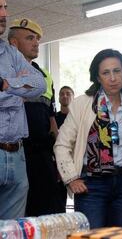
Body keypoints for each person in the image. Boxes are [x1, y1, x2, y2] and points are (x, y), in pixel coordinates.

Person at [54, 49, 122, 228]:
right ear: (97, 77)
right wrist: (71, 178)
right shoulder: (82, 104)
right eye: (106, 72)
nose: (112, 78)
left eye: (117, 71)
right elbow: (62, 145)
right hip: (92, 185)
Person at [8, 18, 65, 216]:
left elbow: (51, 120)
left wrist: (60, 160)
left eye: (38, 39)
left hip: (42, 155)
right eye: (30, 38)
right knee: (18, 216)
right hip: (15, 153)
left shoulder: (43, 76)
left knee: (50, 212)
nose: (36, 43)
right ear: (14, 43)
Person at [0, 0, 46, 219]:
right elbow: (27, 89)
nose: (4, 14)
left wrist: (6, 85)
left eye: (5, 7)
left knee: (13, 231)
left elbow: (39, 84)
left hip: (17, 155)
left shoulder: (10, 54)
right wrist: (18, 93)